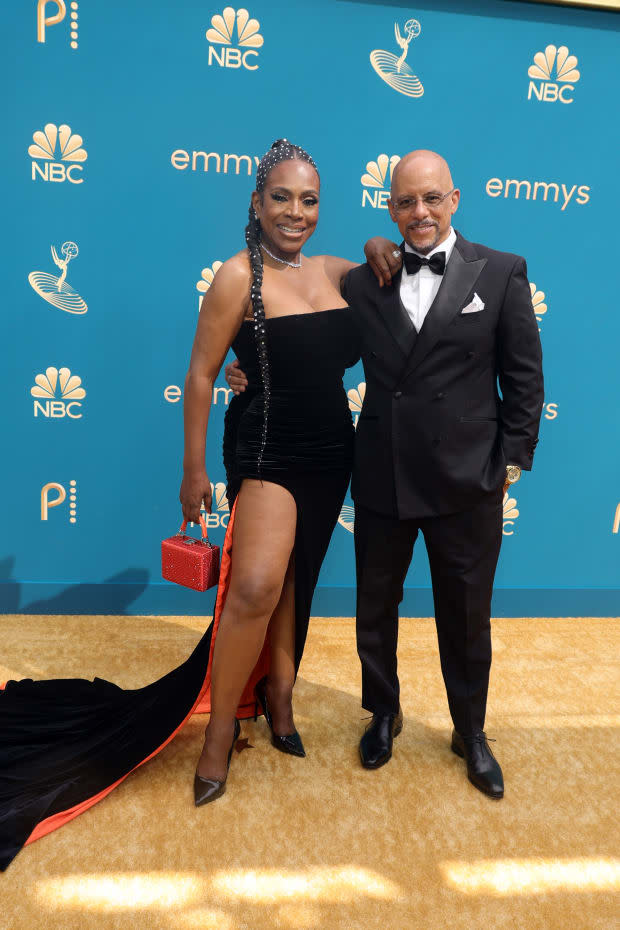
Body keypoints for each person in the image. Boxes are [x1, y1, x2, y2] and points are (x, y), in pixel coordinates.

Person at [0, 139, 396, 870]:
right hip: (266, 449)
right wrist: (192, 471)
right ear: (256, 201)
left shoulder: (341, 271)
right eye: (282, 197)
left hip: (331, 454)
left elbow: (386, 263)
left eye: (309, 200)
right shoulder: (235, 278)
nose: (296, 213)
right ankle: (217, 741)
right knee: (252, 587)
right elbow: (200, 375)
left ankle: (279, 701)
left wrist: (377, 239)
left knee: (293, 584)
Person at [226, 149, 544, 800]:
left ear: (454, 199)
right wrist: (249, 374)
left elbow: (524, 377)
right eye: (404, 202)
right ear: (390, 208)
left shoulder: (503, 272)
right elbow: (298, 335)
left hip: (467, 479)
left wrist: (509, 460)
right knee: (376, 609)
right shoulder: (369, 278)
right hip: (382, 472)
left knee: (466, 614)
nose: (419, 212)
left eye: (431, 199)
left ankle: (470, 731)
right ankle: (384, 714)